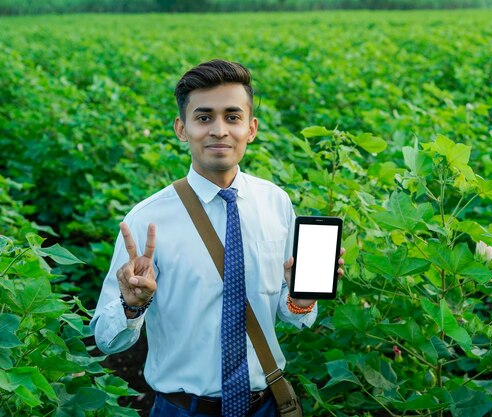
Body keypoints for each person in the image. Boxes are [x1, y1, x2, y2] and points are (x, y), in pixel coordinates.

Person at [90, 59, 344, 417]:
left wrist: (301, 298)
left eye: (233, 117)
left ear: (251, 128)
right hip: (183, 409)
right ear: (182, 128)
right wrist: (132, 305)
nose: (219, 130)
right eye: (204, 117)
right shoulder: (147, 220)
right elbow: (107, 337)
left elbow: (295, 316)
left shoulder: (276, 204)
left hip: (266, 405)